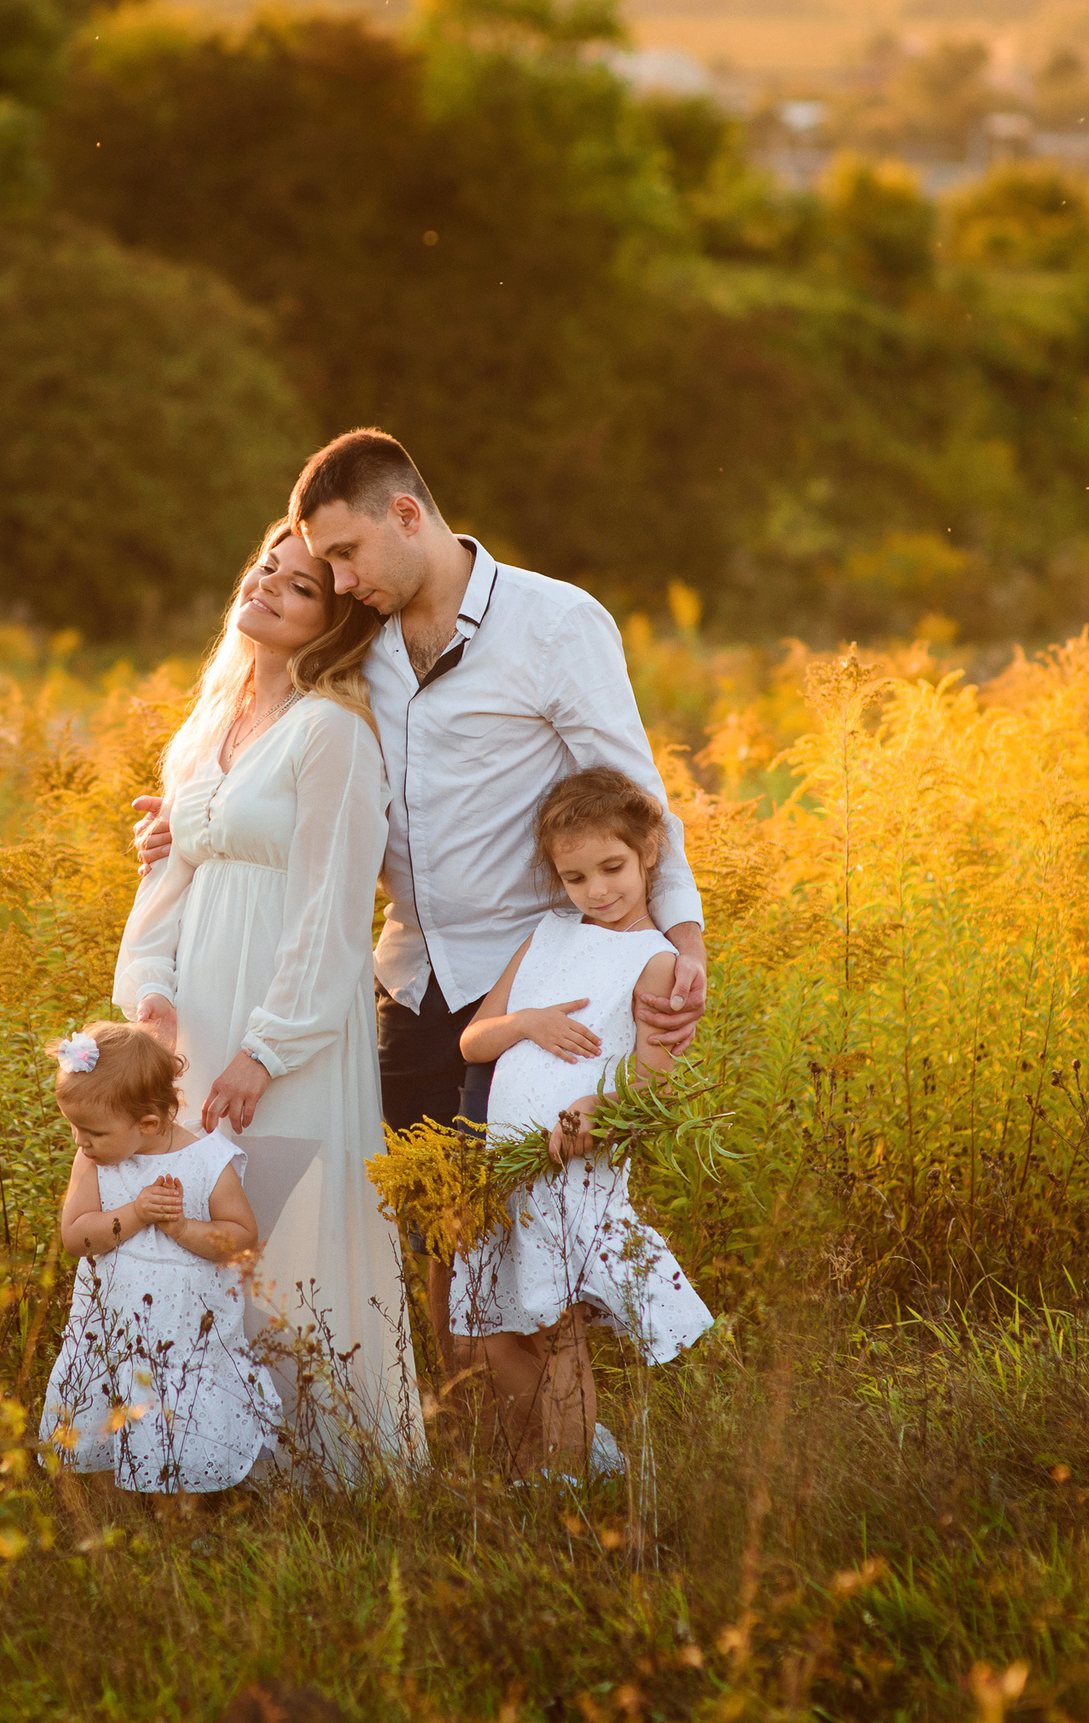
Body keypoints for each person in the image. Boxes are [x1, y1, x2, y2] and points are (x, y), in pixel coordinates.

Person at [136, 430, 708, 1397]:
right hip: (405, 980)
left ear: (408, 515)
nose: (340, 577)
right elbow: (283, 769)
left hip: (527, 981)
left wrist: (680, 947)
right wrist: (186, 824)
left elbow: (637, 796)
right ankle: (486, 1463)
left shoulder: (557, 622)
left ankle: (565, 1476)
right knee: (433, 1233)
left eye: (348, 554)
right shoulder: (361, 643)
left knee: (535, 1249)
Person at [112, 518, 424, 1478]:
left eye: (298, 588)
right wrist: (150, 1000)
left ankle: (318, 1465)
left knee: (281, 1237)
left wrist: (266, 1049)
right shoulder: (206, 727)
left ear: (328, 627)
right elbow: (168, 880)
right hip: (196, 1018)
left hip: (284, 1029)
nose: (270, 588)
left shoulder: (332, 733)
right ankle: (205, 1454)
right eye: (265, 570)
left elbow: (332, 909)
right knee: (195, 1235)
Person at [450, 769, 715, 1474]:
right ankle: (578, 1455)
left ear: (649, 851)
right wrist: (526, 1022)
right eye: (575, 877)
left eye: (612, 868)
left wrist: (596, 1110)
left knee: (557, 1329)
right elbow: (473, 1041)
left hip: (566, 1172)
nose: (597, 890)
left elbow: (650, 1087)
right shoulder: (546, 933)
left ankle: (565, 1480)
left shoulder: (653, 960)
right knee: (496, 1329)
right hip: (503, 1166)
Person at [39, 1022, 280, 1500]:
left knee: (182, 1431)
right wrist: (135, 1213)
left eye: (93, 1131)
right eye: (74, 1126)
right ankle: (116, 1516)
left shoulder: (208, 1161)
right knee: (103, 1421)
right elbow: (75, 1237)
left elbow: (242, 1238)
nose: (80, 1141)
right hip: (109, 1332)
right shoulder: (93, 1162)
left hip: (184, 1333)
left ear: (148, 1123)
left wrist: (183, 1229)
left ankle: (184, 1521)